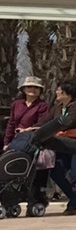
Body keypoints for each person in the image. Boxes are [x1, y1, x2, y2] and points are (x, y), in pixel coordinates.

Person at [3, 76, 51, 212]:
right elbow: (11, 124)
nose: (33, 90)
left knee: (32, 171)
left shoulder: (43, 106)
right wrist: (6, 142)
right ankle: (9, 198)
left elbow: (42, 124)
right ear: (23, 89)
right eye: (30, 87)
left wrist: (28, 130)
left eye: (36, 88)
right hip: (17, 141)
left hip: (33, 141)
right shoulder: (16, 104)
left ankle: (35, 197)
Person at [42, 80, 76, 214]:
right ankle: (75, 196)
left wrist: (52, 129)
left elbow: (68, 122)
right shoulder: (57, 107)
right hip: (61, 144)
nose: (56, 92)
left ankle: (73, 202)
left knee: (75, 174)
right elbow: (46, 121)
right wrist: (32, 128)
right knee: (56, 172)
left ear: (67, 93)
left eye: (59, 90)